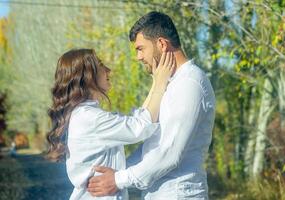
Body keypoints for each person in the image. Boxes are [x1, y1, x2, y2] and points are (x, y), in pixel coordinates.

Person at [87, 11, 216, 200]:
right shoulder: (172, 83)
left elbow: (170, 153)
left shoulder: (190, 83)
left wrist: (118, 180)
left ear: (162, 44)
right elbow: (152, 145)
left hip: (180, 194)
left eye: (141, 48)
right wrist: (117, 172)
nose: (138, 57)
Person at [46, 48, 175, 199]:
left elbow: (138, 120)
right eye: (101, 65)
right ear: (87, 75)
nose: (108, 70)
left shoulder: (83, 115)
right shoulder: (90, 118)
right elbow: (141, 127)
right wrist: (161, 83)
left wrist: (155, 82)